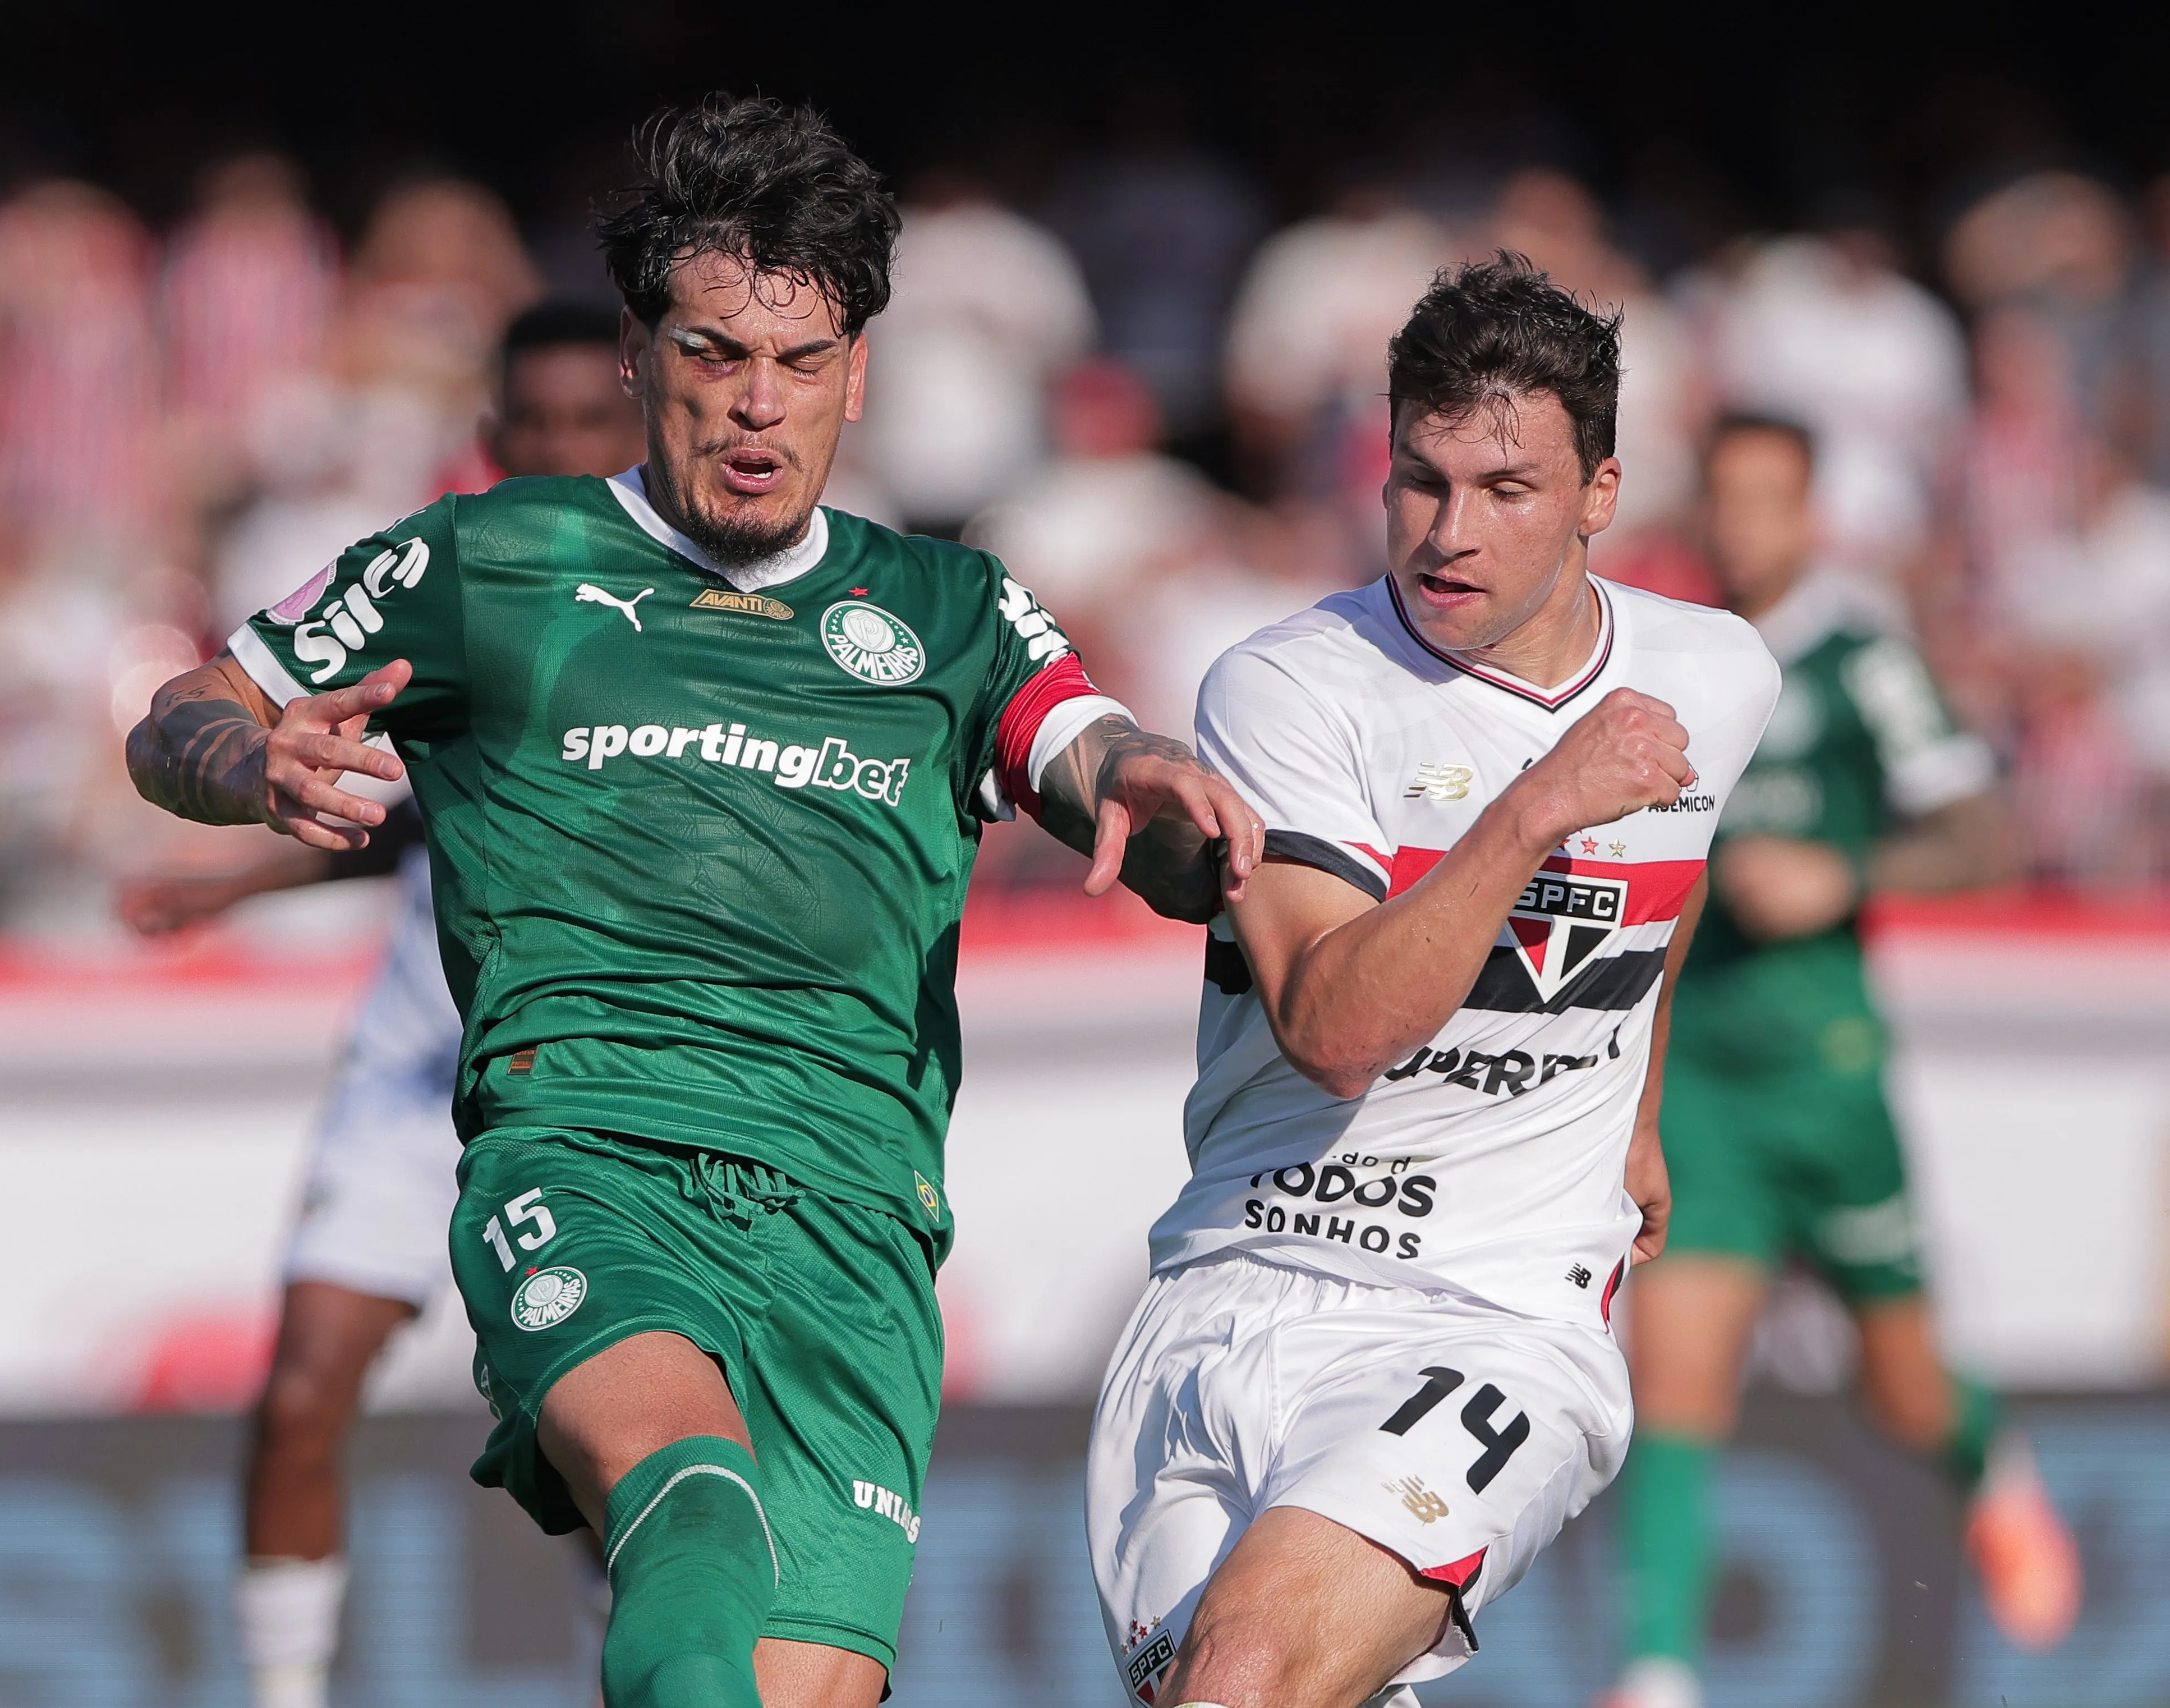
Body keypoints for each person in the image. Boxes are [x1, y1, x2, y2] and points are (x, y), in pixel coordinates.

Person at [126, 95, 1258, 1708]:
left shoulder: (948, 606)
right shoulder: (491, 559)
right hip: (593, 1151)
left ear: (859, 376)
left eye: (800, 362)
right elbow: (182, 711)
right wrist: (243, 759)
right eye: (714, 353)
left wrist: (1151, 784)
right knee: (692, 1500)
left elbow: (1091, 761)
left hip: (857, 1223)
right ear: (636, 355)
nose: (756, 404)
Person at [1087, 255, 1781, 1708]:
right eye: (1421, 481)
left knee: (1247, 1678)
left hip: (1495, 1311)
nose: (1449, 532)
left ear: (1599, 492)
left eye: (1507, 489)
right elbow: (1335, 1025)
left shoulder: (1716, 673)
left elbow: (1675, 873)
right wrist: (1537, 807)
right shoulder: (1291, 686)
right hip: (1226, 1287)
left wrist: (1638, 1112)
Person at [122, 301, 647, 1708]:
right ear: (492, 436)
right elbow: (390, 807)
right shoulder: (444, 593)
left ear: (641, 425)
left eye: (590, 422)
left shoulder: (685, 625)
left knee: (604, 1455)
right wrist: (236, 868)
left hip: (589, 1094)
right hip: (419, 1074)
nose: (560, 448)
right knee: (302, 1387)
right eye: (534, 423)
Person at [1597, 416, 2078, 1708]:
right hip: (1696, 1070)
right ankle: (1657, 1670)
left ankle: (1988, 1458)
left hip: (1825, 1066)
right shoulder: (1660, 655)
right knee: (1677, 1373)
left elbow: (1979, 837)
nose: (1743, 521)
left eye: (1770, 497)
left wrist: (1842, 872)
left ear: (1810, 516)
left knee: (1901, 1383)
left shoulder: (1861, 660)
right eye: (1726, 495)